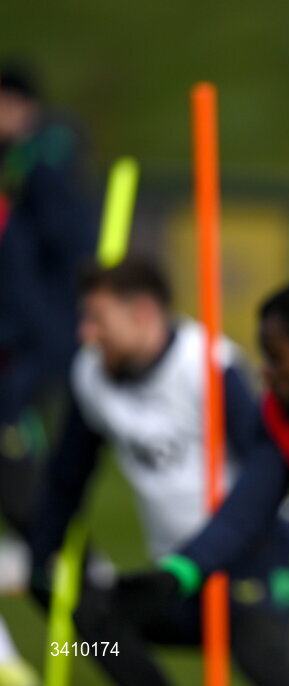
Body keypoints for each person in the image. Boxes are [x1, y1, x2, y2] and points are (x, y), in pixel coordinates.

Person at [27, 257, 289, 686]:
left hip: (250, 565)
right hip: (171, 576)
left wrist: (249, 563)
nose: (86, 333)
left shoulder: (210, 366)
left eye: (98, 319)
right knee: (95, 623)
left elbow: (268, 475)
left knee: (266, 668)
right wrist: (42, 554)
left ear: (144, 313)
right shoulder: (90, 376)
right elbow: (68, 475)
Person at [119, 279, 289, 606]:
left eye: (277, 358)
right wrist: (183, 569)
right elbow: (246, 508)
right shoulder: (278, 413)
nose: (266, 373)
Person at [0, 61, 96, 540]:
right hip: (25, 332)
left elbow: (68, 244)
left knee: (27, 468)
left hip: (39, 334)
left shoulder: (44, 164)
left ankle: (59, 555)